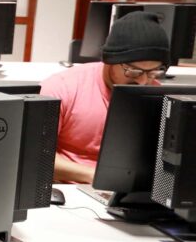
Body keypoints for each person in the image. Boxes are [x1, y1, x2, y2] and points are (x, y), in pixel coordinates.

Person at [41, 11, 169, 184]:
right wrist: (96, 177)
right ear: (110, 61)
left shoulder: (157, 96)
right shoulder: (62, 88)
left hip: (130, 189)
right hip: (70, 190)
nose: (142, 81)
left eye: (153, 72)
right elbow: (37, 154)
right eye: (134, 71)